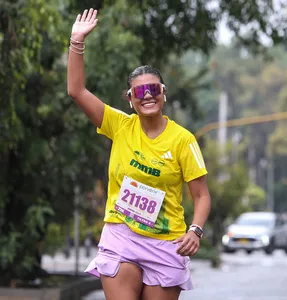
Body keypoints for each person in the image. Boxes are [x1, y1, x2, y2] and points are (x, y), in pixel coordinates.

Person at [68, 8, 211, 300]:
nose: (147, 95)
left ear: (163, 92)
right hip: (122, 236)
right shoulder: (119, 126)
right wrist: (77, 42)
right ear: (130, 99)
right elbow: (77, 91)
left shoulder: (183, 140)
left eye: (153, 88)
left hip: (166, 244)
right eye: (139, 91)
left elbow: (201, 195)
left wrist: (195, 230)